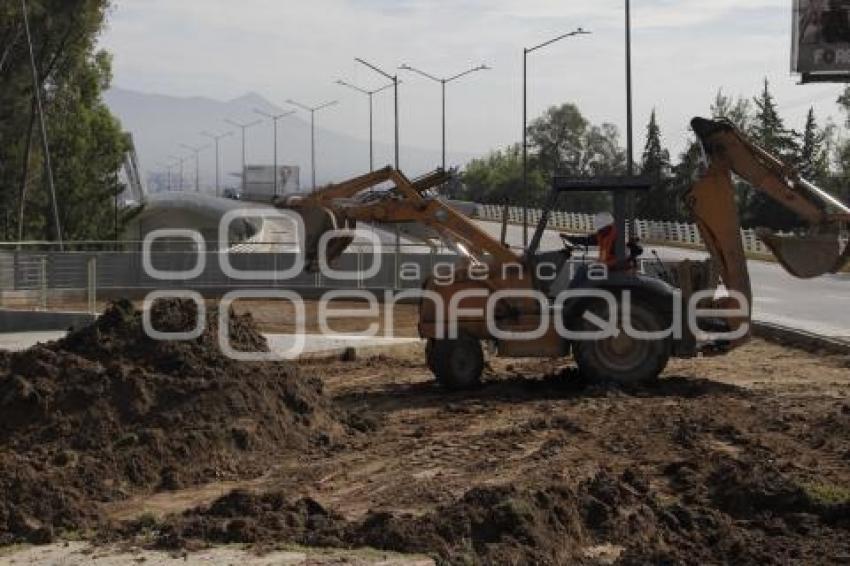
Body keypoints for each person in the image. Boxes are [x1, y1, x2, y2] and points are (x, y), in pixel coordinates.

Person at [563, 211, 643, 288]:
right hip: (606, 266)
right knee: (583, 269)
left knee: (587, 272)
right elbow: (586, 240)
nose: (598, 229)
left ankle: (576, 295)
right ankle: (573, 294)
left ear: (608, 226)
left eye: (600, 227)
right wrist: (570, 238)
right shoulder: (602, 235)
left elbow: (628, 254)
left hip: (615, 268)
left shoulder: (617, 237)